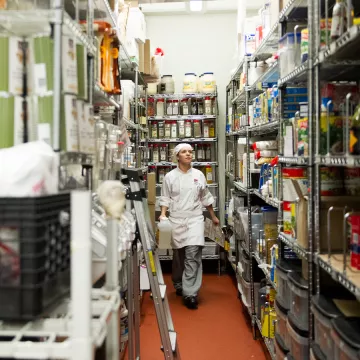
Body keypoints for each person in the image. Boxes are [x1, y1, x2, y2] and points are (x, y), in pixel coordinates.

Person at [159, 143, 219, 309]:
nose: (188, 154)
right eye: (184, 152)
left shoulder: (199, 175)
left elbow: (205, 196)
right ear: (177, 156)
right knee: (179, 256)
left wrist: (213, 216)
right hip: (176, 220)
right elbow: (165, 197)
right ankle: (179, 283)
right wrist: (163, 214)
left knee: (193, 255)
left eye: (190, 152)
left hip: (195, 219)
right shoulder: (170, 176)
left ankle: (190, 293)